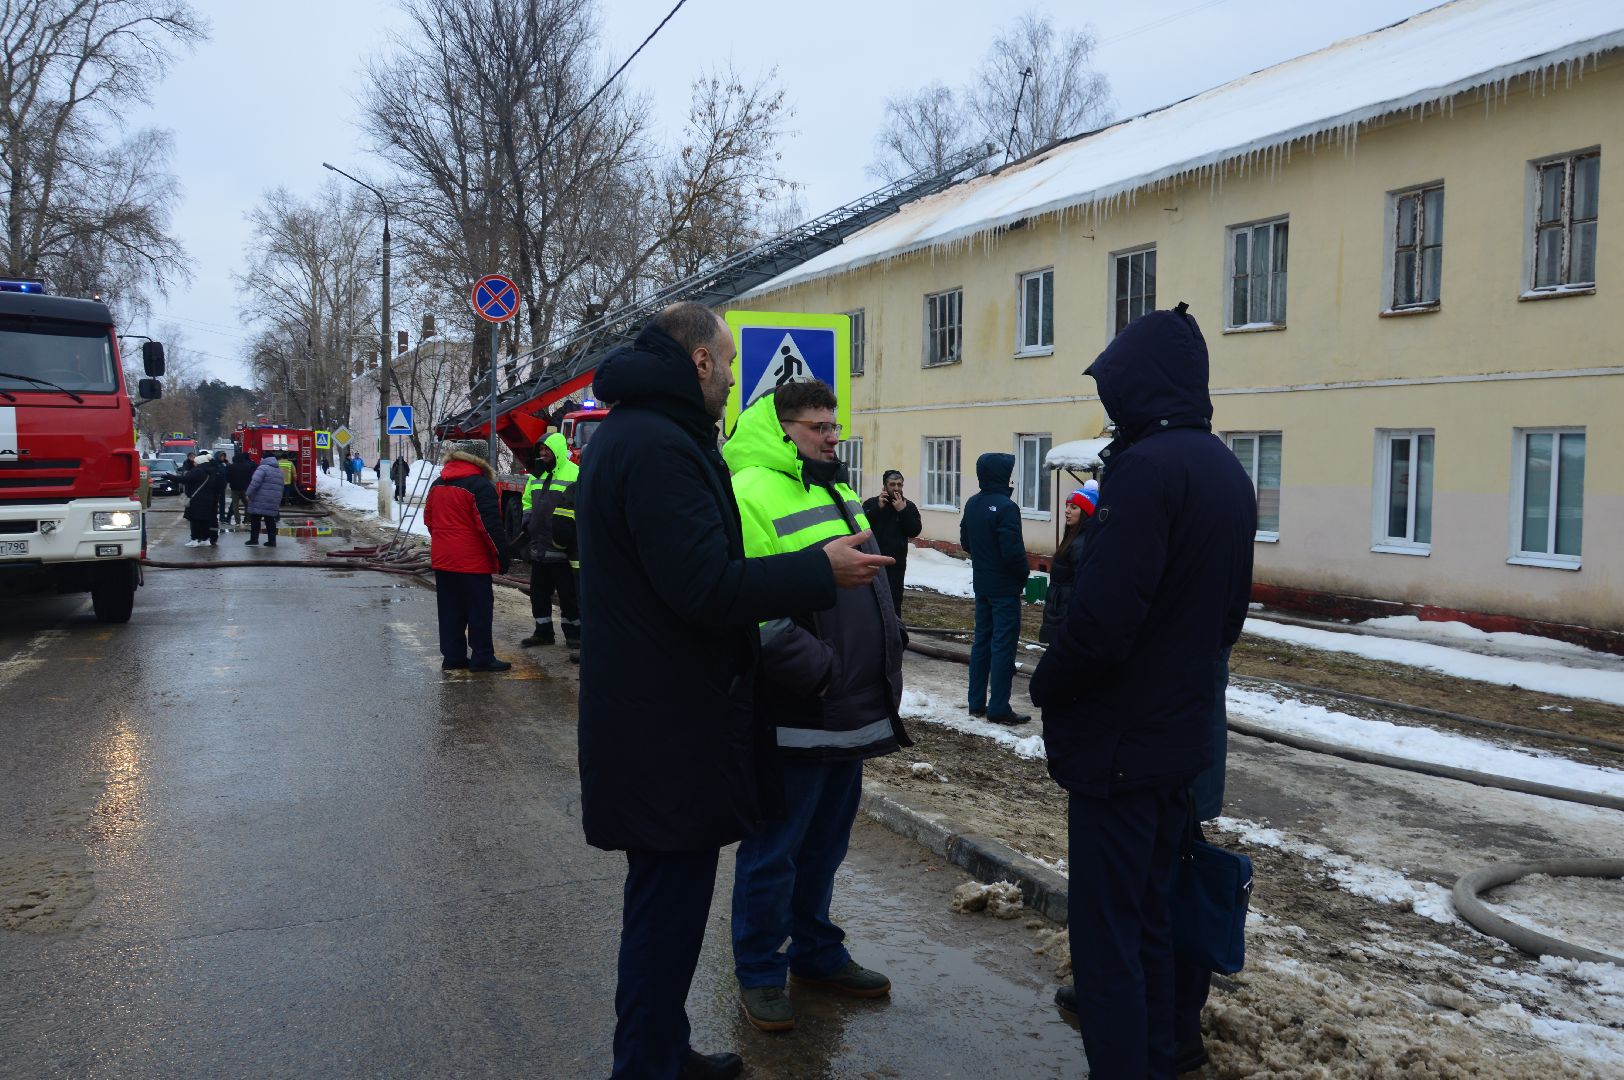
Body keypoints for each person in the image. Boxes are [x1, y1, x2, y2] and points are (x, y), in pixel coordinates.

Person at [575, 301, 891, 1080]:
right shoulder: (657, 446)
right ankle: (646, 1066)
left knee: (671, 910)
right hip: (664, 723)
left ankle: (660, 1052)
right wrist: (820, 570)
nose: (734, 382)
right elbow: (703, 586)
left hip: (660, 712)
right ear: (701, 363)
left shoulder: (649, 434)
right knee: (664, 911)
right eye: (728, 362)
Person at [1029, 304, 1255, 1079]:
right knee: (1153, 918)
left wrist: (1048, 682)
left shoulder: (1146, 471)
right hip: (1178, 740)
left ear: (1139, 386)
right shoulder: (1224, 470)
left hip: (1119, 746)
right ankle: (1159, 1058)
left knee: (1107, 937)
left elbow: (1100, 623)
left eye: (1114, 386)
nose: (1109, 403)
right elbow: (1228, 619)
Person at [724, 381, 910, 1034]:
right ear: (781, 431)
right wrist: (820, 674)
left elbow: (870, 584)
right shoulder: (750, 491)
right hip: (800, 710)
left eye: (834, 424)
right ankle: (760, 971)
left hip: (850, 709)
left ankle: (816, 953)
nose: (834, 435)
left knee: (825, 847)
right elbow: (750, 608)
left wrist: (885, 656)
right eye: (818, 426)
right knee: (775, 851)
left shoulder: (832, 489)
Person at [423, 440, 512, 673]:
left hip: (444, 562)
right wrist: (502, 555)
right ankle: (482, 657)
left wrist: (445, 544)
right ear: (481, 459)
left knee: (450, 610)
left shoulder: (437, 483)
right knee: (479, 611)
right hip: (473, 563)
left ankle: (453, 657)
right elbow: (489, 527)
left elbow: (429, 520)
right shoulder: (480, 486)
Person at [958, 452, 1030, 725]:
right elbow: (1013, 552)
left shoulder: (973, 503)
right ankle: (999, 706)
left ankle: (976, 703)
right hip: (1004, 588)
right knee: (1003, 645)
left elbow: (965, 541)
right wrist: (1022, 574)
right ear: (1002, 474)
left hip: (983, 583)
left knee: (982, 642)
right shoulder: (1006, 507)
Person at [518, 432, 580, 650]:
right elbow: (526, 500)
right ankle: (543, 632)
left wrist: (571, 534)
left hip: (563, 549)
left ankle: (574, 635)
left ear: (558, 451)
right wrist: (527, 520)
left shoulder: (575, 473)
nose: (543, 453)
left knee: (568, 596)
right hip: (539, 547)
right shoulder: (536, 474)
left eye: (547, 449)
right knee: (538, 594)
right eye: (541, 449)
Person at [1038, 484, 1098, 646]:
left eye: (1074, 507)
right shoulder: (1073, 537)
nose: (1067, 510)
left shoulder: (1081, 543)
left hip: (1066, 612)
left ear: (1086, 512)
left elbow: (1084, 585)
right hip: (1060, 610)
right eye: (1067, 506)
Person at [861, 469, 922, 622]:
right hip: (873, 563)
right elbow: (861, 527)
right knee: (872, 602)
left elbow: (914, 530)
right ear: (884, 486)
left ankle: (895, 637)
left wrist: (902, 511)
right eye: (892, 484)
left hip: (896, 564)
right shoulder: (871, 504)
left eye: (899, 485)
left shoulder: (908, 506)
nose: (896, 488)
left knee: (894, 604)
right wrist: (878, 508)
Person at [180, 453, 223, 547]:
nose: (193, 462)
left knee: (195, 519)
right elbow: (221, 484)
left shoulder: (198, 471)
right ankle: (207, 538)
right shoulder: (216, 469)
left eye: (195, 461)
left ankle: (195, 539)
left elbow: (185, 479)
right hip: (212, 498)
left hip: (198, 498)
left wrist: (170, 477)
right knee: (207, 520)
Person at [243, 452, 284, 547]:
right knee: (270, 520)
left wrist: (248, 493)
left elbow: (255, 482)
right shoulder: (279, 470)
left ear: (264, 459)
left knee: (255, 519)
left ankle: (254, 539)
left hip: (259, 499)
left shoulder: (262, 468)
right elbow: (282, 486)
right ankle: (272, 541)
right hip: (273, 500)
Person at [226, 450, 256, 527]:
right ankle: (247, 520)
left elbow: (228, 478)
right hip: (245, 489)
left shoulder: (231, 467)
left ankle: (237, 521)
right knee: (247, 504)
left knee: (235, 505)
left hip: (235, 489)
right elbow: (250, 477)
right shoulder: (247, 466)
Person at [212, 450, 231, 529]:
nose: (223, 458)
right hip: (215, 487)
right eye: (221, 456)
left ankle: (222, 517)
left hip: (222, 487)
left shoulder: (223, 465)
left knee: (222, 503)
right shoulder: (214, 464)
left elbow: (228, 471)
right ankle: (214, 517)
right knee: (215, 503)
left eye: (224, 456)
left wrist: (227, 463)